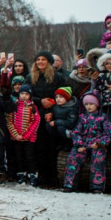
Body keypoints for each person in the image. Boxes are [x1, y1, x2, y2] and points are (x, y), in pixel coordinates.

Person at [62, 94, 111, 194]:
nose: (89, 106)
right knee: (73, 157)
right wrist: (79, 144)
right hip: (83, 144)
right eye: (86, 104)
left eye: (91, 104)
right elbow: (76, 132)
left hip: (97, 144)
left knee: (98, 159)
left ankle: (97, 186)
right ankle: (70, 184)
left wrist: (100, 143)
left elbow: (109, 133)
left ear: (97, 105)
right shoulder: (82, 117)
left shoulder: (103, 117)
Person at [30, 51, 67, 187]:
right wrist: (40, 101)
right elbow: (26, 94)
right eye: (38, 59)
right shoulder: (31, 77)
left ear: (49, 62)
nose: (40, 62)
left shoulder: (57, 77)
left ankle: (53, 177)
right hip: (36, 114)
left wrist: (51, 108)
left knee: (51, 148)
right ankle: (42, 177)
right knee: (39, 147)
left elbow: (63, 94)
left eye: (43, 59)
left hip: (54, 113)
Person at [6, 84, 40, 187]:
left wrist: (26, 135)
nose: (24, 96)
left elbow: (36, 121)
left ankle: (32, 174)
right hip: (17, 138)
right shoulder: (15, 105)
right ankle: (21, 174)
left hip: (29, 138)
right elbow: (9, 121)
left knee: (30, 157)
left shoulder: (33, 107)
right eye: (22, 93)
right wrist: (16, 135)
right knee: (19, 156)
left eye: (26, 94)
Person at [45, 87, 78, 151]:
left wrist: (56, 122)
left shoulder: (72, 109)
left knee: (61, 128)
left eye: (61, 97)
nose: (58, 99)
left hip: (69, 130)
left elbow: (71, 123)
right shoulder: (56, 106)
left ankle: (67, 144)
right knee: (48, 125)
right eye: (56, 97)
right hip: (58, 128)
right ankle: (58, 142)